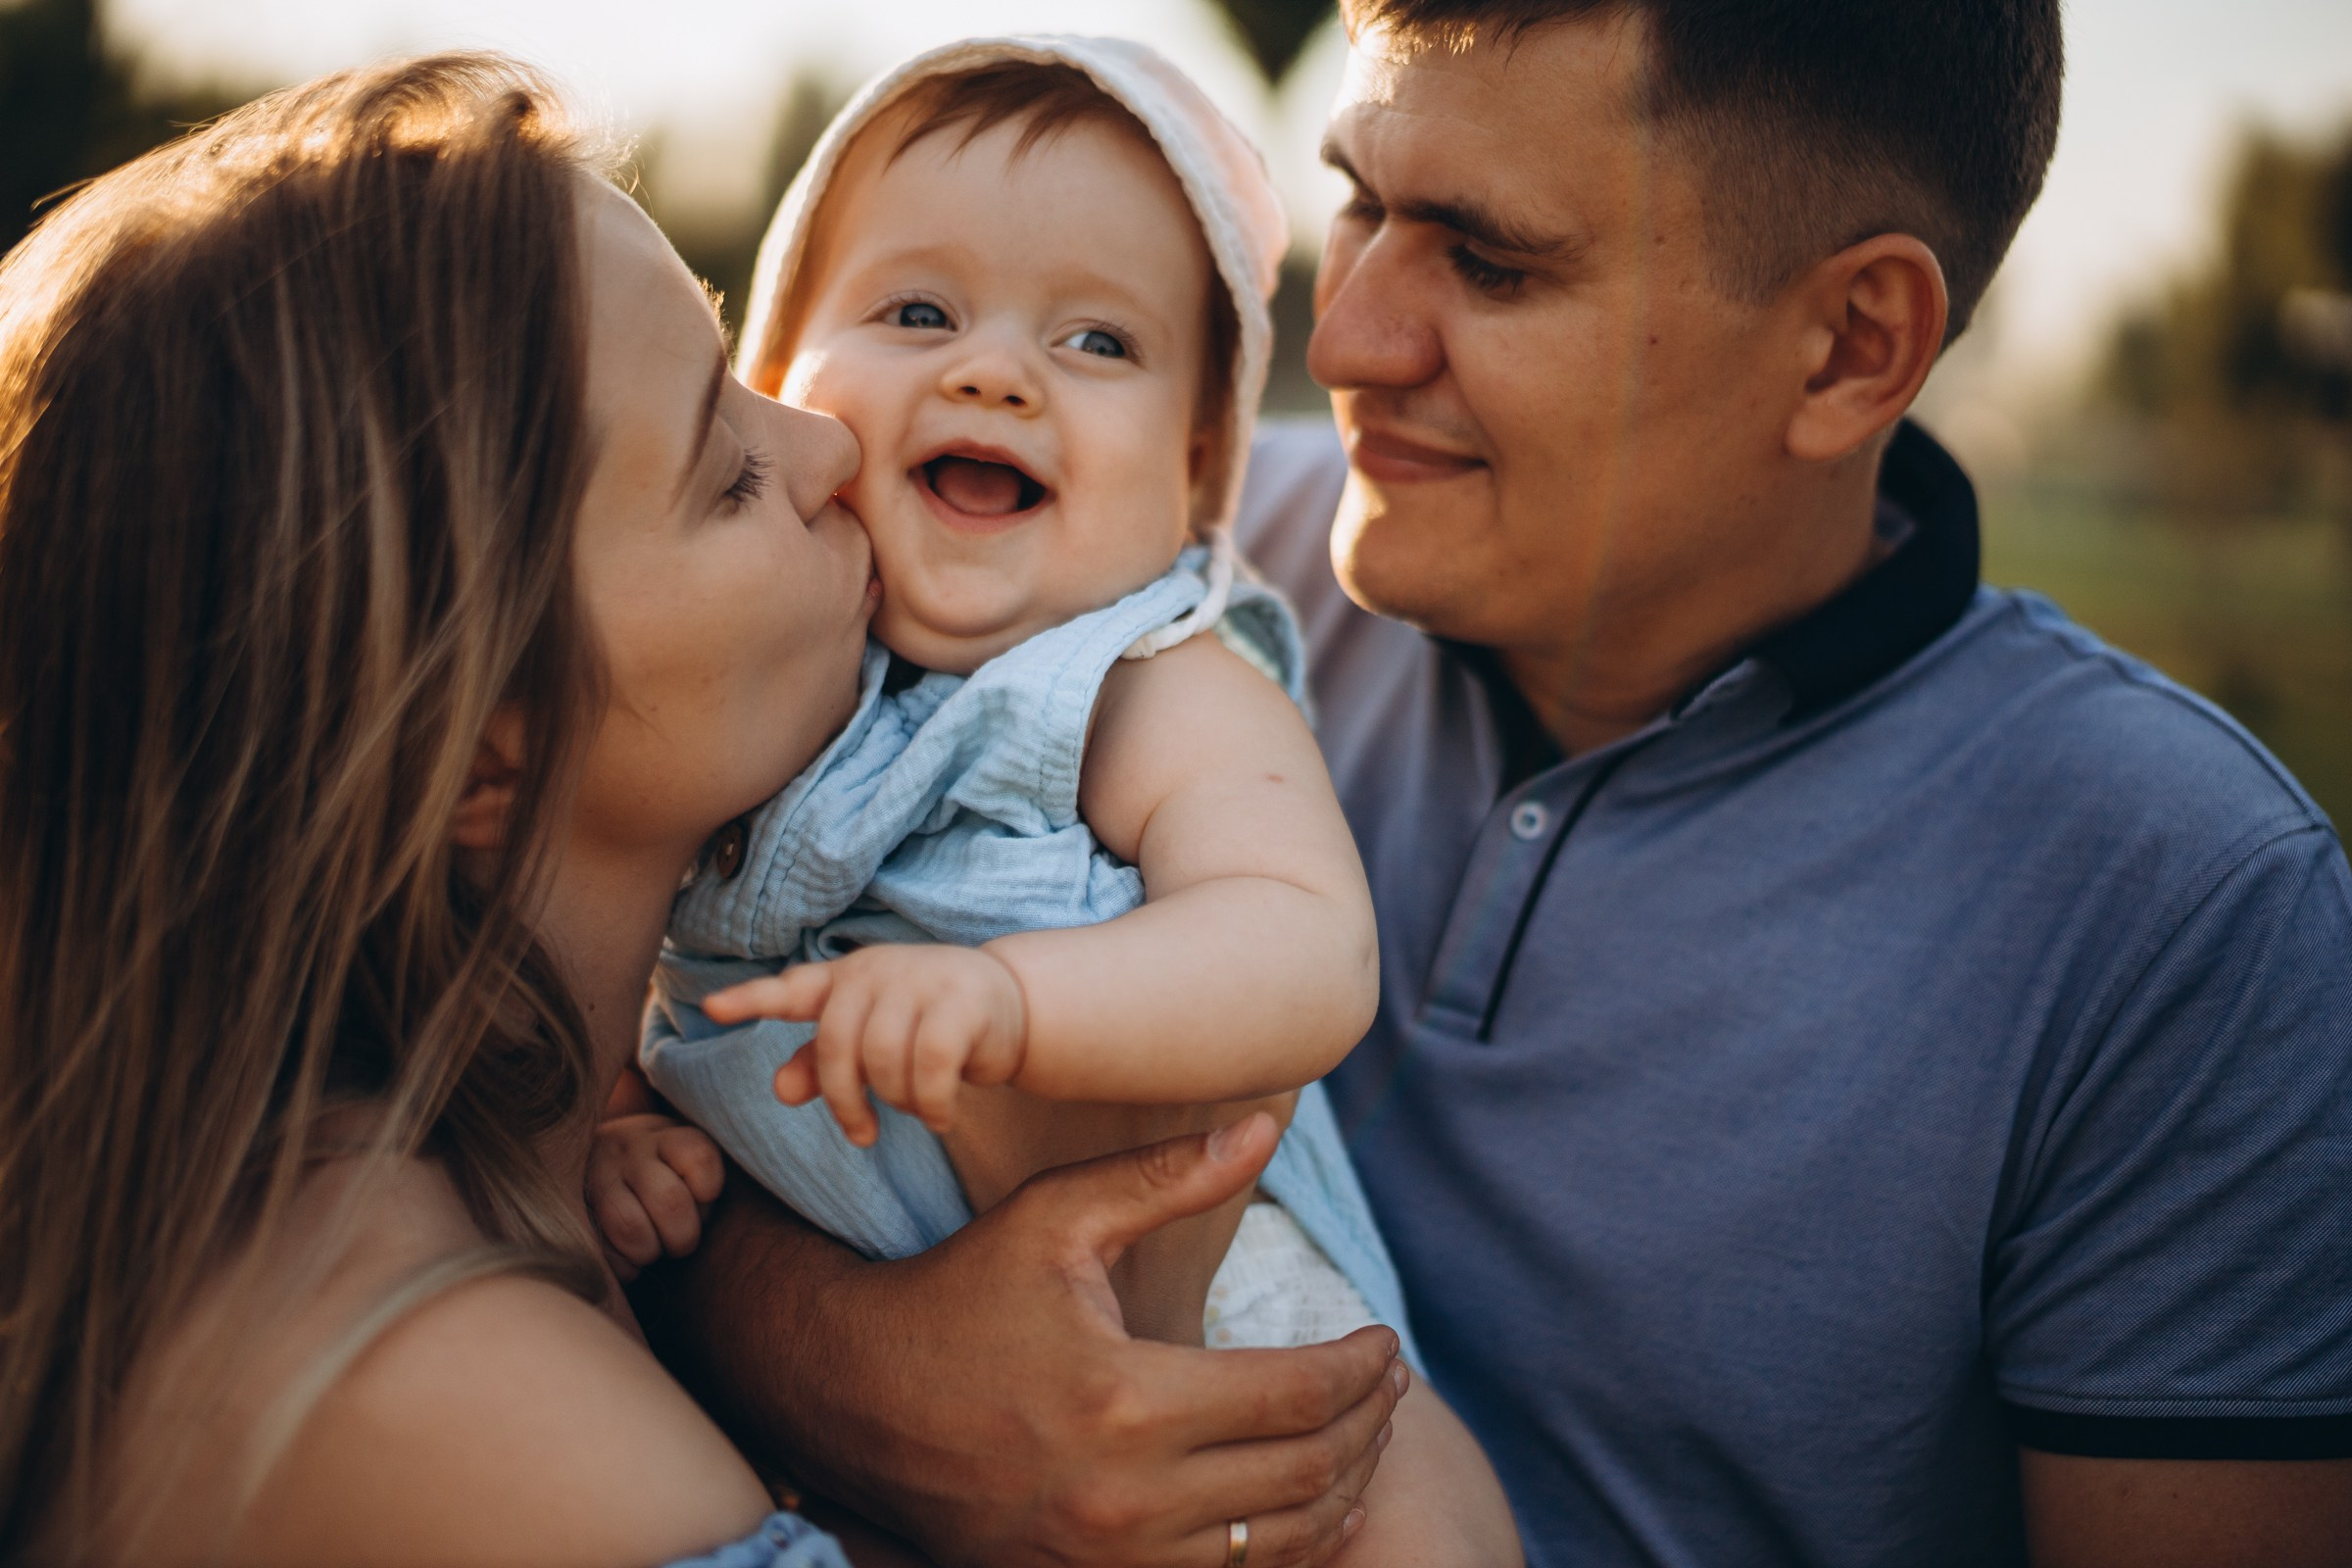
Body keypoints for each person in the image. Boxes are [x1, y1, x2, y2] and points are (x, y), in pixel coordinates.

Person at [646, 4, 2352, 1567]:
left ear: (1850, 346)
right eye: (1359, 205)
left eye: (1491, 261)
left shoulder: (2188, 909)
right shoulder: (1142, 542)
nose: (1345, 340)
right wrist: (861, 1369)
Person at [0, 52, 1403, 1567]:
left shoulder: (493, 1188)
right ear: (479, 754)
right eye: (726, 469)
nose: (829, 445)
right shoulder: (460, 1416)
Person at [593, 41, 1517, 1565]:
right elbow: (612, 938)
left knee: (1408, 1503)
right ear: (780, 384)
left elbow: (1305, 947)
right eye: (917, 313)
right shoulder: (744, 668)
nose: (995, 373)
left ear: (1198, 467)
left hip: (1215, 1311)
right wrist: (630, 1132)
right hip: (860, 1391)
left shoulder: (1142, 677)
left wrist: (1012, 1000)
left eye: (1097, 340)